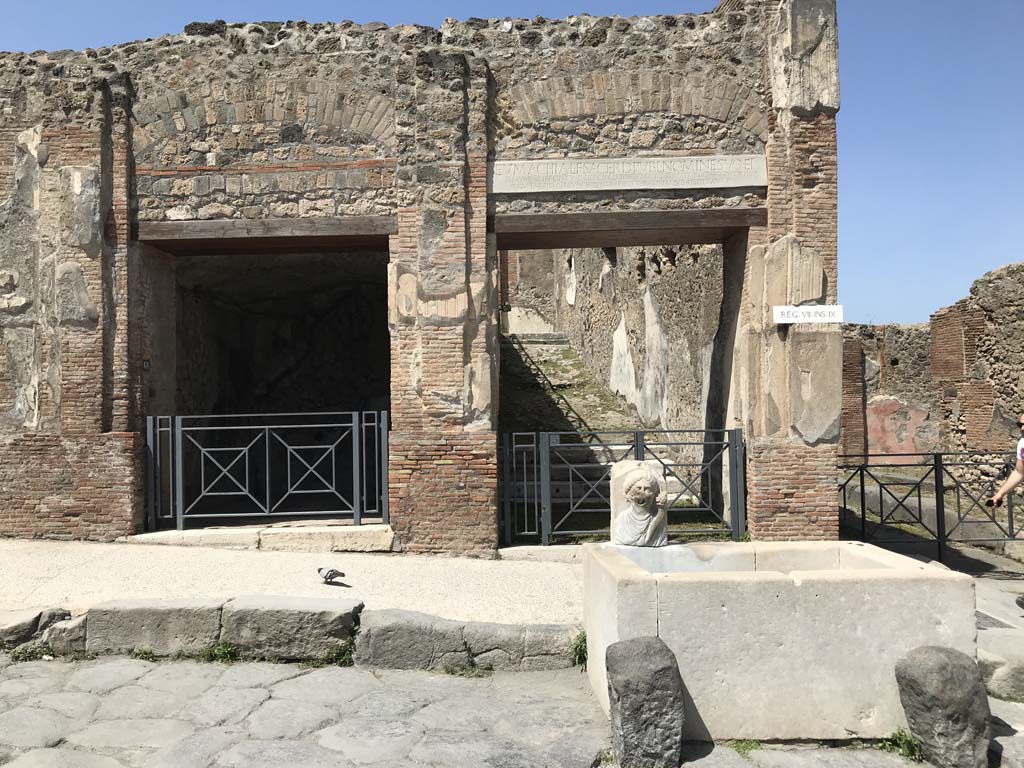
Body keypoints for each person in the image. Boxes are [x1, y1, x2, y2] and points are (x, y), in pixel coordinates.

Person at [989, 413, 1024, 508]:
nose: (1022, 429)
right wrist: (1000, 494)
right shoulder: (1022, 444)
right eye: (1020, 425)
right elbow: (1019, 472)